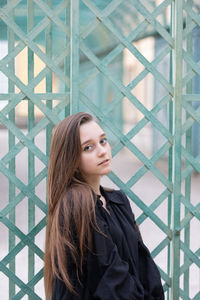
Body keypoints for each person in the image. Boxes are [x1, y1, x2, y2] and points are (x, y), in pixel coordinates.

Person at [44, 112, 164, 300]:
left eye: (103, 141)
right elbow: (110, 274)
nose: (102, 151)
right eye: (88, 147)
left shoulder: (117, 201)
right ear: (71, 160)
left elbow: (143, 263)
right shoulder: (76, 203)